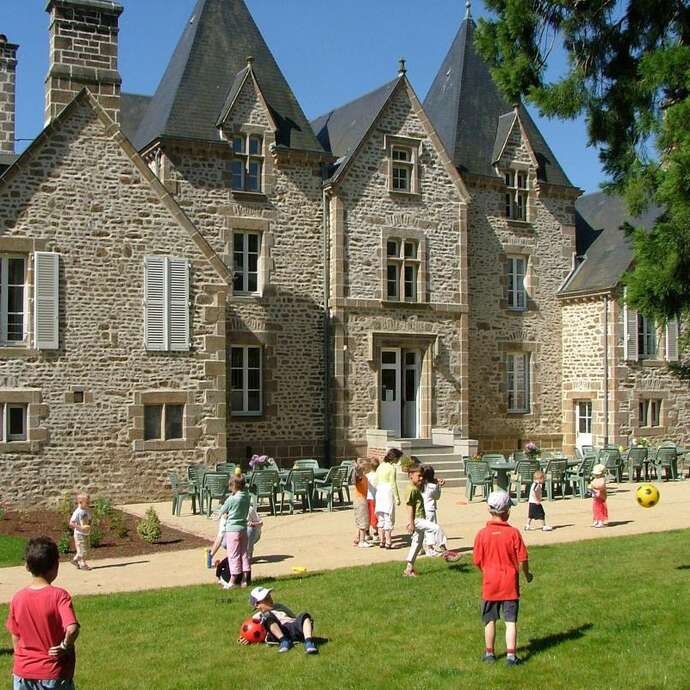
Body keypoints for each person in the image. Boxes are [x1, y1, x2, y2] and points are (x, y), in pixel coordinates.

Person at [6, 537, 80, 690]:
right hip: (52, 673)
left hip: (23, 673)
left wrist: (18, 662)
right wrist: (65, 646)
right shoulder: (59, 596)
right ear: (56, 565)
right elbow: (72, 629)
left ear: (27, 566)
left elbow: (16, 636)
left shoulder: (18, 598)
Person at [473, 490, 533, 666]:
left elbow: (476, 560)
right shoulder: (513, 533)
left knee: (489, 620)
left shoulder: (482, 534)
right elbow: (523, 558)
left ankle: (489, 653)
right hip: (509, 584)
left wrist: (486, 570)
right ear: (506, 511)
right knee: (510, 621)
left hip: (490, 583)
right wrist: (527, 574)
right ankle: (511, 655)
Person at [403, 464, 460, 576]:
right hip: (417, 520)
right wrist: (411, 523)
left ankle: (408, 569)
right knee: (436, 528)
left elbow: (428, 481)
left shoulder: (416, 486)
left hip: (420, 518)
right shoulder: (411, 489)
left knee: (417, 544)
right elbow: (410, 507)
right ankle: (445, 551)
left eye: (422, 476)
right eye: (418, 476)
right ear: (410, 475)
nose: (421, 478)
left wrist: (435, 480)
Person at [244, 587, 318, 655]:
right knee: (266, 616)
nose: (270, 600)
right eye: (266, 599)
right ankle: (284, 641)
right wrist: (247, 638)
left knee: (304, 615)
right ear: (257, 605)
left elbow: (294, 617)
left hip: (291, 626)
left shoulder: (279, 606)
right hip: (277, 632)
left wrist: (301, 622)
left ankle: (309, 642)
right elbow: (253, 630)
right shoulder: (256, 617)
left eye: (269, 596)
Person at [211, 476, 251, 588]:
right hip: (243, 529)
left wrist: (215, 515)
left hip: (233, 530)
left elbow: (222, 510)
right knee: (244, 554)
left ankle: (232, 581)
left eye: (230, 485)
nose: (229, 488)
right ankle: (244, 580)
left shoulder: (232, 499)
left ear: (235, 486)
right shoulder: (247, 497)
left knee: (233, 556)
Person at [374, 448, 401, 549]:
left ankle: (382, 540)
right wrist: (397, 498)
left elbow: (376, 480)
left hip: (379, 491)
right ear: (394, 458)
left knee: (381, 517)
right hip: (387, 492)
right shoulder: (391, 468)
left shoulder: (380, 466)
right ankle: (388, 541)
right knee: (388, 517)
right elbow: (393, 484)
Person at [421, 465, 446, 556]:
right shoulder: (433, 486)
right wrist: (439, 486)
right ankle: (430, 548)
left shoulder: (420, 485)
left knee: (422, 529)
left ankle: (421, 547)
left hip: (421, 509)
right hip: (430, 510)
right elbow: (437, 497)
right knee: (431, 529)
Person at [68, 493, 92, 571]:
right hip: (79, 534)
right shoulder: (77, 512)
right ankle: (83, 564)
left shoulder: (87, 510)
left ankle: (75, 560)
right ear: (80, 502)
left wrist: (89, 525)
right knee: (82, 550)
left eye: (89, 502)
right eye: (87, 502)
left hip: (86, 533)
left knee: (87, 549)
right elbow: (71, 523)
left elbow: (89, 519)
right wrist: (80, 528)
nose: (89, 504)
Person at [353, 459, 372, 548]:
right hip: (361, 500)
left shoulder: (364, 477)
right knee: (363, 521)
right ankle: (362, 541)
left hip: (360, 499)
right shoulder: (360, 477)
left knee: (360, 521)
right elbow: (358, 473)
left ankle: (358, 538)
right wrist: (357, 467)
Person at [590, 464, 608, 528]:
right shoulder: (595, 479)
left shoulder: (602, 479)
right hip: (596, 496)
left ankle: (601, 521)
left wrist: (593, 486)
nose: (596, 475)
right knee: (595, 509)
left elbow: (600, 486)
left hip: (600, 497)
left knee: (600, 509)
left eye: (598, 474)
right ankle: (596, 520)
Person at [365, 458, 379, 542]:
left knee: (367, 515)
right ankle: (375, 533)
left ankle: (367, 533)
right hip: (376, 498)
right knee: (375, 515)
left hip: (368, 497)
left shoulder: (367, 476)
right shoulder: (379, 476)